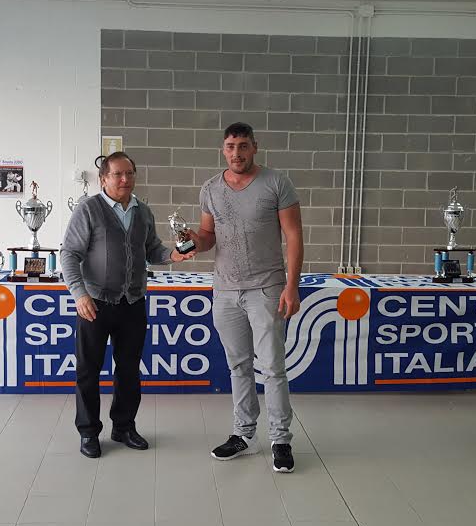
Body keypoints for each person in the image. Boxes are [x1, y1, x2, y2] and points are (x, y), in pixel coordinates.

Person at [60, 152, 194, 458]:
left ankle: (123, 427)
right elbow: (69, 254)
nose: (125, 179)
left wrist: (174, 255)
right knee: (88, 371)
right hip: (94, 303)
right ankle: (89, 432)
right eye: (118, 174)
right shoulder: (88, 209)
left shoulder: (142, 211)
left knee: (129, 370)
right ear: (103, 179)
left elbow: (153, 250)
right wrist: (79, 294)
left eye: (130, 173)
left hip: (132, 303)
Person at [188, 122, 304, 473]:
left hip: (266, 288)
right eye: (230, 147)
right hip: (225, 290)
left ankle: (280, 440)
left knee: (272, 367)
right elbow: (208, 235)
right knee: (238, 366)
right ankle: (244, 435)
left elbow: (294, 236)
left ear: (254, 147)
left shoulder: (276, 183)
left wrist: (292, 286)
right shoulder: (210, 188)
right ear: (223, 150)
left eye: (242, 146)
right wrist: (192, 241)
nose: (236, 153)